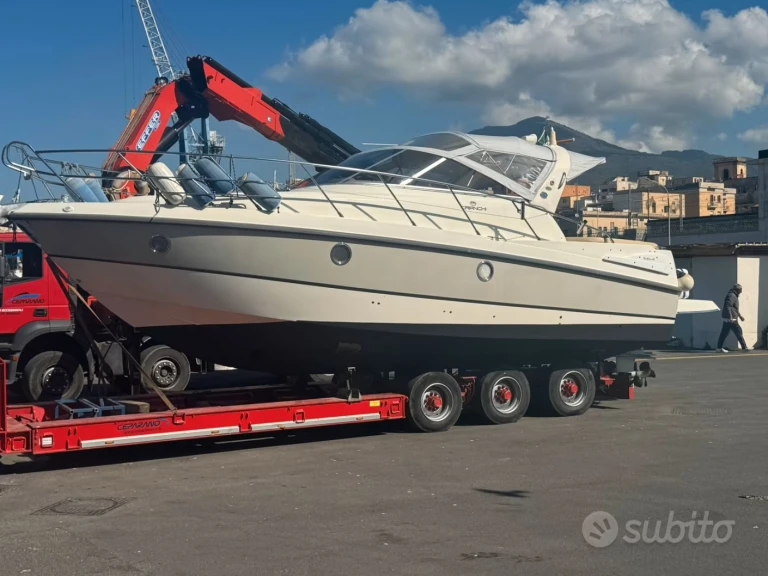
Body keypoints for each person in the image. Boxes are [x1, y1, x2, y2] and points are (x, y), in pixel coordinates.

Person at [716, 284, 750, 352]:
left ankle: (719, 348)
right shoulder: (732, 295)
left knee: (724, 333)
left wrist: (740, 316)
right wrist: (730, 316)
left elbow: (735, 308)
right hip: (731, 318)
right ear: (737, 290)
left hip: (729, 318)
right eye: (740, 290)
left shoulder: (734, 295)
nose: (741, 291)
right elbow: (728, 306)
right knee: (738, 331)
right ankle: (744, 347)